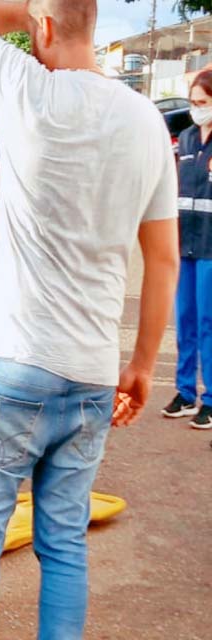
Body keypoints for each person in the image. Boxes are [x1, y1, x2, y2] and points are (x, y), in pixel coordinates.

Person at [0, 1, 179, 638]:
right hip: (93, 372)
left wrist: (26, 10)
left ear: (43, 26)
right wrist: (143, 366)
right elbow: (163, 260)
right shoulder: (147, 121)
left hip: (15, 363)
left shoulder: (25, 88)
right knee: (66, 545)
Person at [163, 70, 212, 431]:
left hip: (211, 248)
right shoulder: (186, 139)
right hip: (185, 245)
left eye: (203, 103)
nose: (196, 110)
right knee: (185, 322)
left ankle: (209, 400)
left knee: (208, 324)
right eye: (194, 103)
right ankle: (184, 393)